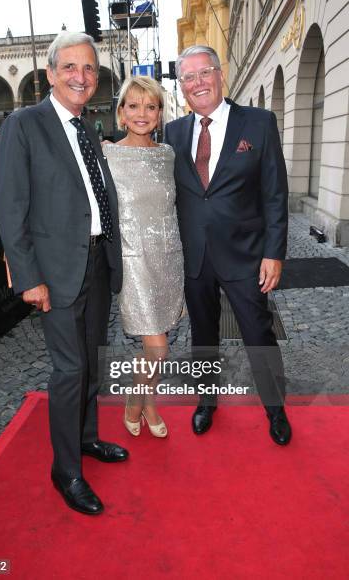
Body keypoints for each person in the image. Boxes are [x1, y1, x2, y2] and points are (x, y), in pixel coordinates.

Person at [0, 31, 128, 516]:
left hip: (96, 262)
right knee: (70, 369)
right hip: (55, 270)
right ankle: (65, 470)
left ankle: (87, 438)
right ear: (50, 74)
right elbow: (11, 208)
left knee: (91, 363)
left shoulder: (87, 127)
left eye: (89, 69)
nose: (81, 76)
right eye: (70, 67)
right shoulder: (24, 125)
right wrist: (28, 276)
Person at [165, 45, 291, 445]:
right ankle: (207, 401)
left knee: (258, 332)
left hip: (246, 255)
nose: (198, 83)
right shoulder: (173, 133)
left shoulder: (258, 123)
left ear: (221, 75)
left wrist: (274, 252)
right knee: (202, 335)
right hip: (195, 257)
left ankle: (275, 409)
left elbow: (274, 192)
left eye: (204, 73)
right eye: (189, 77)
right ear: (182, 86)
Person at [103, 76, 184, 438]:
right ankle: (136, 403)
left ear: (159, 114)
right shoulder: (108, 155)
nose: (142, 114)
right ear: (121, 113)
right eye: (133, 106)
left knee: (158, 343)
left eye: (150, 106)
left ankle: (148, 404)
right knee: (159, 347)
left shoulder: (167, 155)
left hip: (169, 258)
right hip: (134, 262)